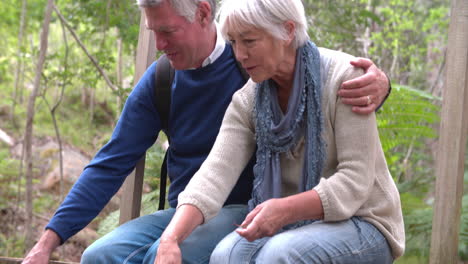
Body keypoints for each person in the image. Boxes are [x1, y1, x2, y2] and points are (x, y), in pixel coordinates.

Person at [23, 0, 392, 263]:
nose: (241, 53)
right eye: (235, 43)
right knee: (102, 255)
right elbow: (206, 174)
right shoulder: (236, 90)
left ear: (202, 14)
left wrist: (380, 83)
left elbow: (317, 73)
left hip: (304, 213)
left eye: (167, 31)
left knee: (261, 254)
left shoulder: (278, 62)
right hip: (222, 210)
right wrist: (48, 241)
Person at [154, 0, 405, 263]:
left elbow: (355, 182)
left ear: (287, 31)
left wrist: (285, 209)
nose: (240, 54)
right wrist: (170, 239)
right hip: (292, 223)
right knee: (225, 255)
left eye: (249, 41)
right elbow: (214, 175)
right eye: (233, 42)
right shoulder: (248, 100)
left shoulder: (347, 79)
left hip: (365, 222)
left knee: (278, 254)